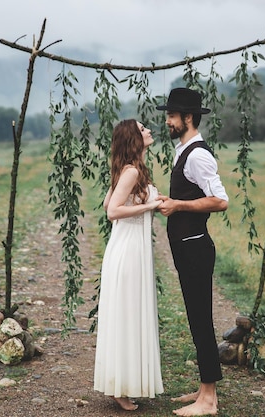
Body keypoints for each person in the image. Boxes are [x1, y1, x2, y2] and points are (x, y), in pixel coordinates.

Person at [156, 88, 229, 416]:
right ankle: (202, 389)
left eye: (172, 115)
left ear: (188, 118)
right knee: (195, 318)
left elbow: (220, 200)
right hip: (187, 249)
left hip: (197, 248)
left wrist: (179, 205)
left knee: (201, 319)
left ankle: (209, 400)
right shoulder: (183, 149)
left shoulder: (198, 155)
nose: (167, 120)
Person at [93, 119, 164, 411]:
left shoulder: (129, 169)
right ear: (135, 138)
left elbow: (109, 200)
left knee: (127, 314)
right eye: (143, 128)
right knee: (127, 314)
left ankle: (121, 383)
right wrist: (151, 205)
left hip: (127, 248)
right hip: (128, 249)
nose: (149, 130)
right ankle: (120, 387)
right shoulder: (132, 171)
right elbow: (112, 211)